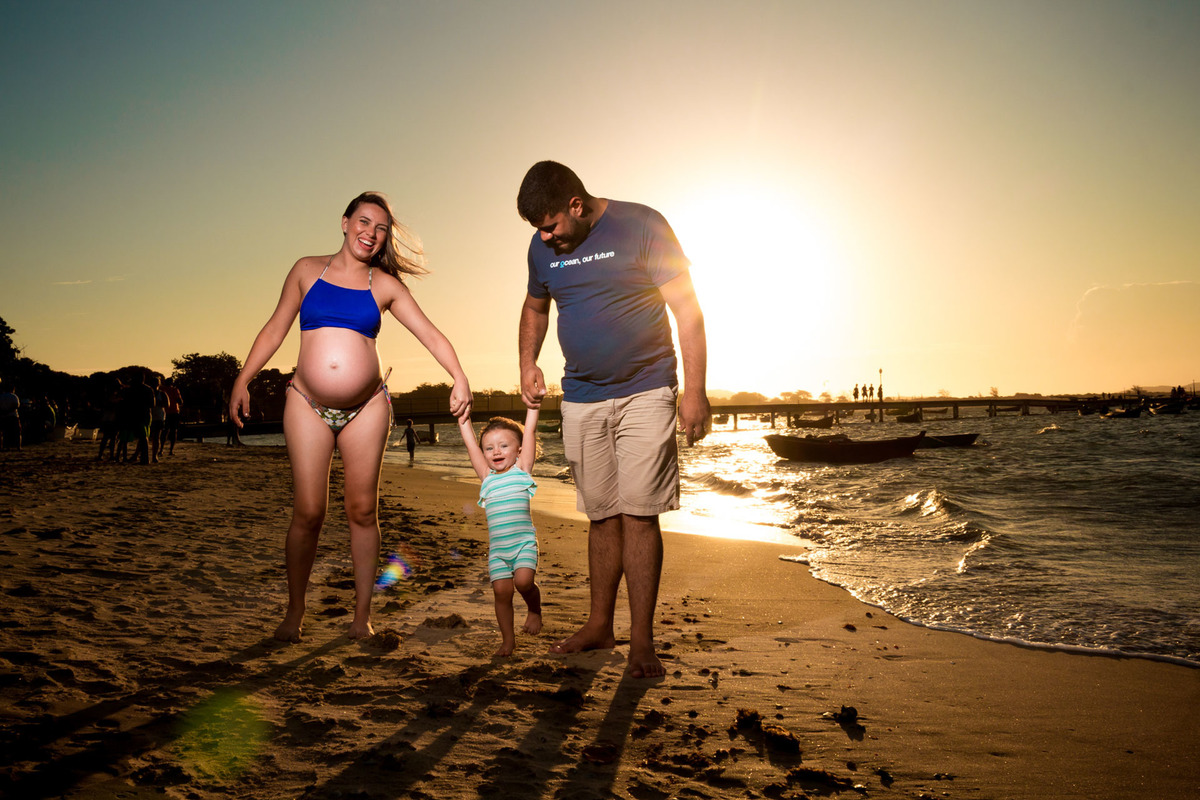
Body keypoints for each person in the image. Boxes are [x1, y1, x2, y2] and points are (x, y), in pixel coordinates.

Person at [230, 191, 472, 642]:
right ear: (344, 222)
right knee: (308, 512)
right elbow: (275, 326)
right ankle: (294, 612)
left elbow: (430, 334)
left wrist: (458, 375)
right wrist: (242, 379)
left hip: (367, 408)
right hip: (306, 402)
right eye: (364, 222)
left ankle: (361, 618)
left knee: (362, 510)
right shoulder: (307, 270)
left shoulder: (384, 285)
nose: (371, 233)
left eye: (380, 229)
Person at [516, 161, 709, 678]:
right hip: (581, 397)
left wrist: (695, 393)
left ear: (576, 205)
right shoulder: (542, 248)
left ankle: (642, 640)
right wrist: (527, 362)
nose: (545, 237)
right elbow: (535, 307)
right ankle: (600, 623)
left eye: (552, 225)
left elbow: (687, 311)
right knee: (601, 515)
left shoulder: (643, 225)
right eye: (539, 229)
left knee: (640, 513)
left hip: (646, 389)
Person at [457, 410, 543, 657]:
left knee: (524, 582)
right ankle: (508, 641)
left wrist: (532, 407)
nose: (496, 451)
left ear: (519, 450)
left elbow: (531, 431)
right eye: (490, 448)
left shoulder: (522, 471)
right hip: (498, 551)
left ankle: (534, 610)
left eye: (504, 446)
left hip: (523, 544)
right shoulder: (486, 477)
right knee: (501, 593)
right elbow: (470, 443)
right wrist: (463, 419)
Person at [162, 377, 182, 456]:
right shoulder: (175, 390)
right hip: (174, 412)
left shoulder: (162, 389)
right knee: (174, 431)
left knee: (164, 431)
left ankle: (161, 449)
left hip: (165, 412)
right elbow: (179, 401)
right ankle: (171, 450)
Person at [0, 378, 19, 451]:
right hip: (13, 416)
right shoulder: (14, 396)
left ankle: (5, 446)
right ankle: (18, 446)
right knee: (16, 432)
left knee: (5, 433)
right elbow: (16, 406)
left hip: (3, 416)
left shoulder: (1, 396)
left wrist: (4, 412)